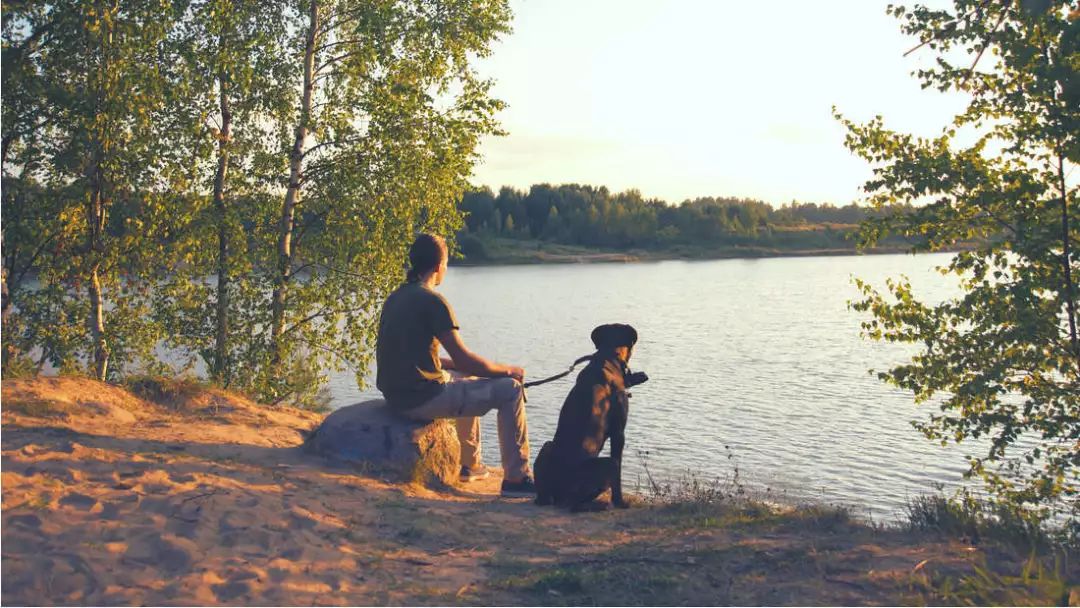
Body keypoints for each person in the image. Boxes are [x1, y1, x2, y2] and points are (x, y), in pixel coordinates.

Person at [375, 233, 536, 496]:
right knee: (510, 390)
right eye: (446, 265)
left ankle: (470, 465)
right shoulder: (433, 301)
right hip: (421, 399)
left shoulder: (397, 297)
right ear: (439, 267)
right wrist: (510, 371)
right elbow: (464, 358)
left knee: (463, 375)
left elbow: (413, 353)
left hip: (395, 395)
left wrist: (459, 368)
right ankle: (517, 479)